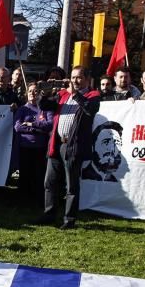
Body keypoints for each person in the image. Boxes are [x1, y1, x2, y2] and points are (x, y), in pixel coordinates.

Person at [38, 66, 101, 229]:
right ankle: (49, 214)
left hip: (73, 146)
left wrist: (75, 93)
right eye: (73, 77)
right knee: (50, 182)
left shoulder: (93, 95)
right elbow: (45, 106)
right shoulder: (62, 94)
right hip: (56, 143)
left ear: (87, 79)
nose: (75, 81)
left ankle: (69, 219)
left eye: (79, 77)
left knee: (71, 185)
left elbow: (89, 109)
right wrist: (44, 93)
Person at [13, 82, 53, 205]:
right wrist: (36, 130)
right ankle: (24, 201)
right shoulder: (22, 109)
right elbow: (18, 127)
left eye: (35, 91)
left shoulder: (45, 108)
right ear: (26, 93)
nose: (32, 93)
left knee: (39, 175)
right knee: (25, 175)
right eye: (30, 91)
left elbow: (50, 124)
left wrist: (32, 124)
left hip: (41, 148)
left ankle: (38, 201)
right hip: (25, 147)